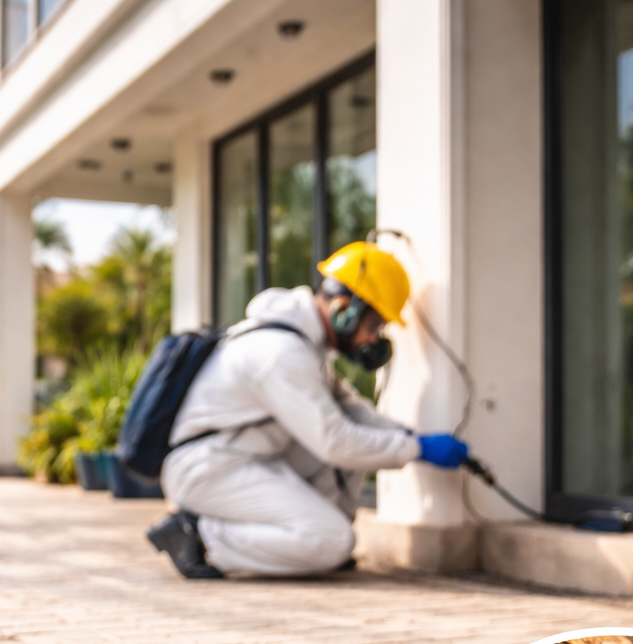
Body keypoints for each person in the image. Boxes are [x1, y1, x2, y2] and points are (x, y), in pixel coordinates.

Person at [146, 242, 468, 579]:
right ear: (344, 309)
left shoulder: (305, 347)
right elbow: (336, 441)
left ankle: (314, 544)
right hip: (206, 469)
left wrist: (406, 434)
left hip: (241, 455)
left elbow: (350, 410)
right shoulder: (282, 354)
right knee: (332, 540)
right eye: (373, 328)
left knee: (350, 466)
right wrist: (418, 448)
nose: (372, 341)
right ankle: (196, 535)